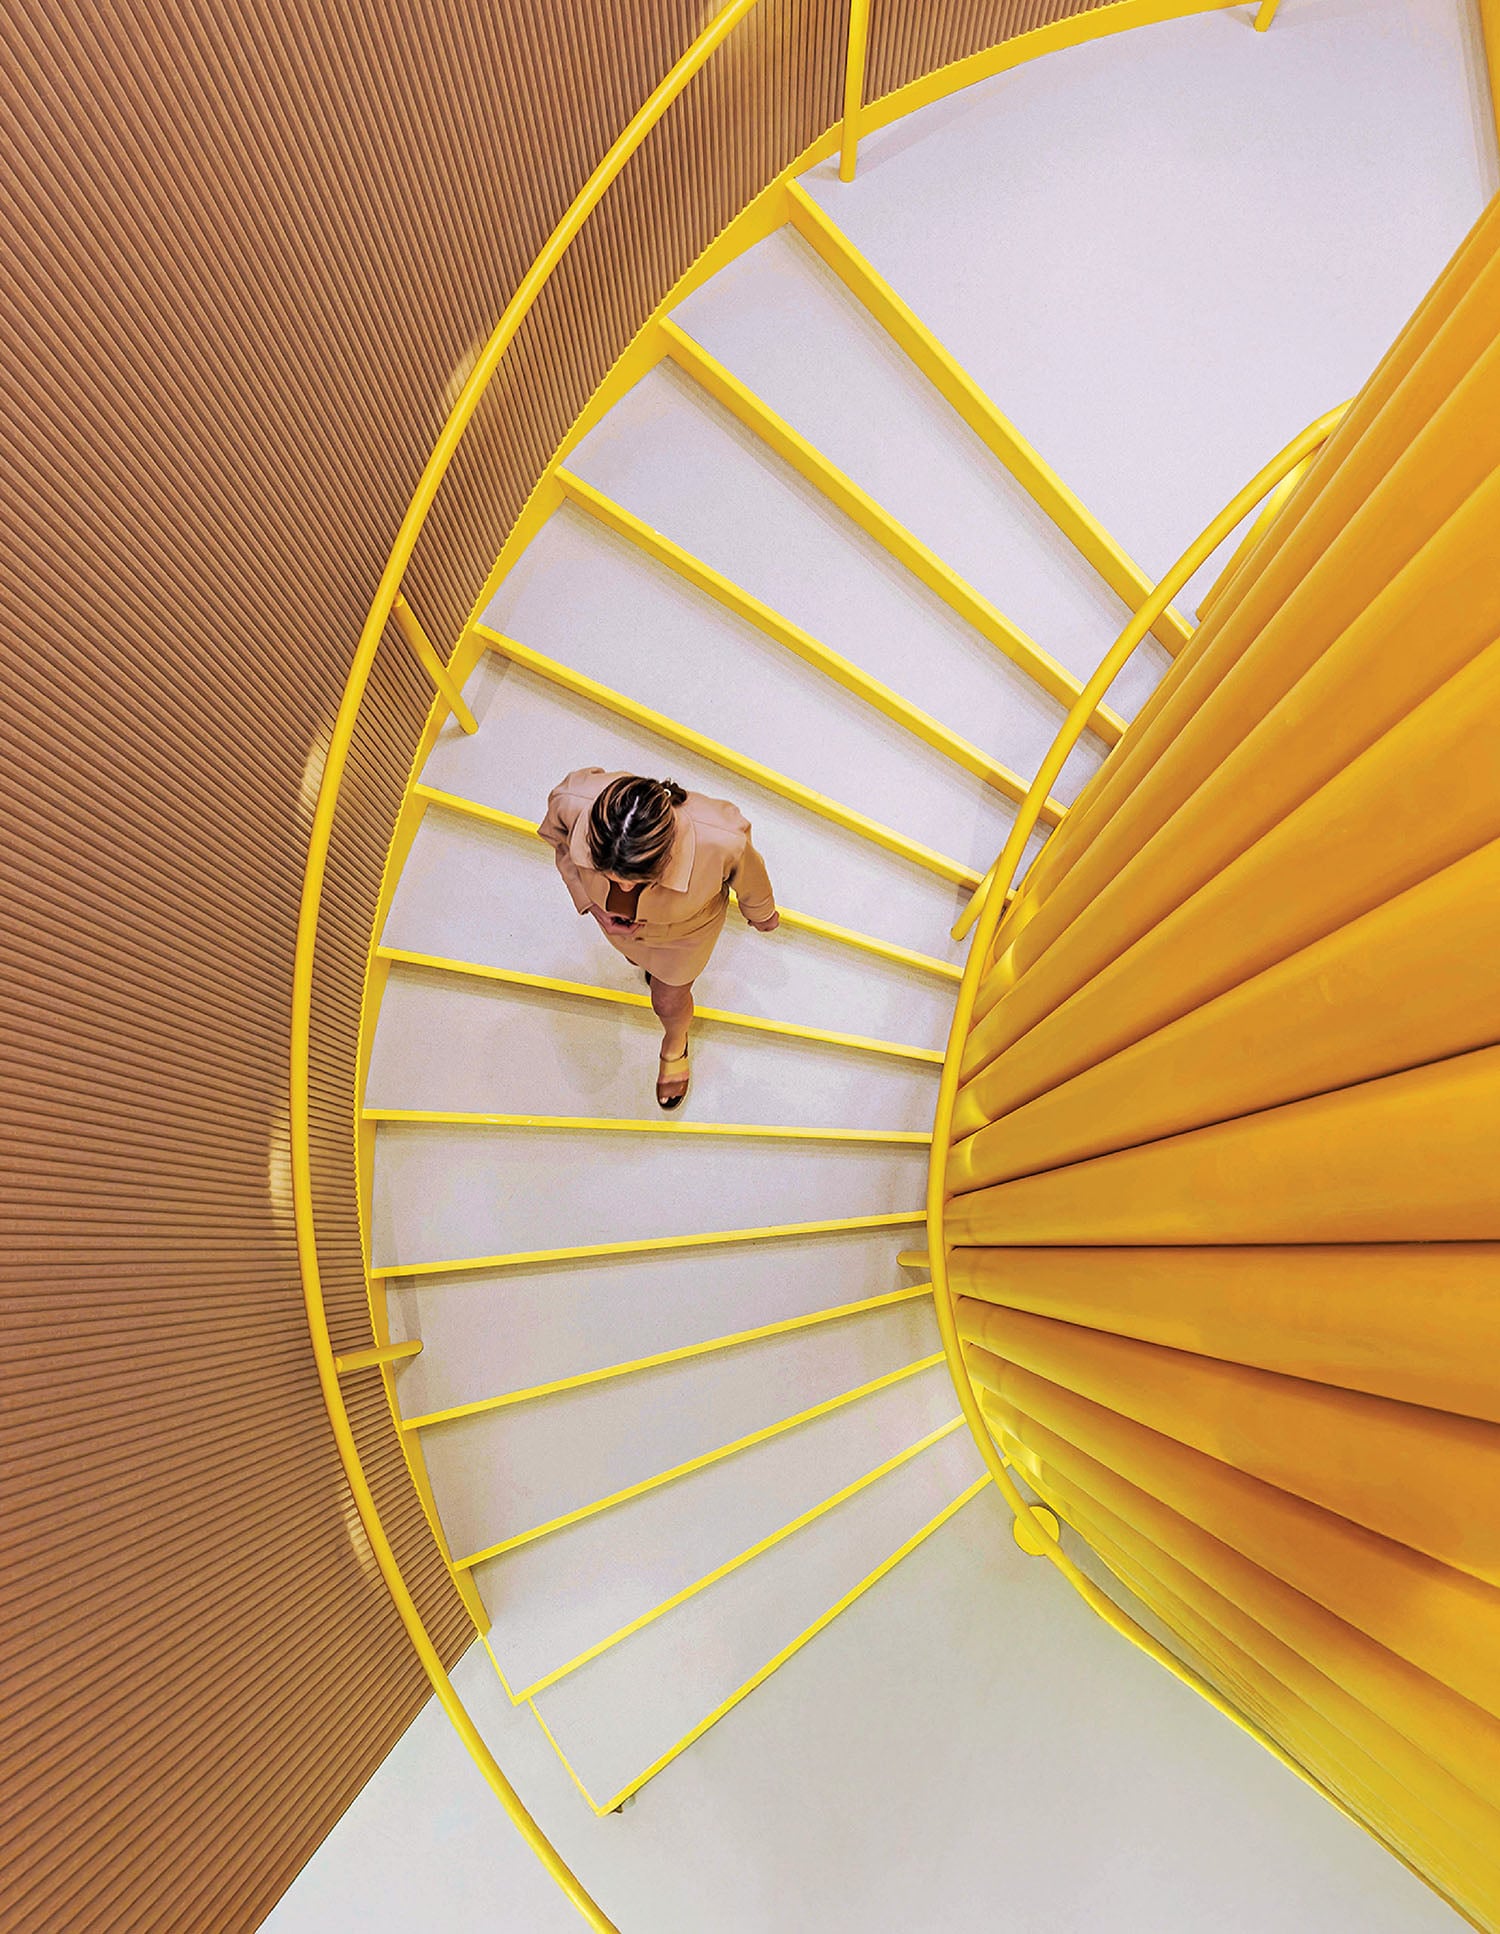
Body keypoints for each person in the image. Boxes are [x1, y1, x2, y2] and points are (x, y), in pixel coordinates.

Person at [538, 768, 779, 1109]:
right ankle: (641, 963)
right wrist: (593, 905)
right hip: (618, 930)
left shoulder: (722, 839)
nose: (622, 888)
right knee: (634, 960)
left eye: (636, 880)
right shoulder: (570, 800)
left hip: (684, 935)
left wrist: (761, 912)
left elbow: (752, 880)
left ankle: (675, 1041)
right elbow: (562, 845)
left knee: (667, 999)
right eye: (609, 876)